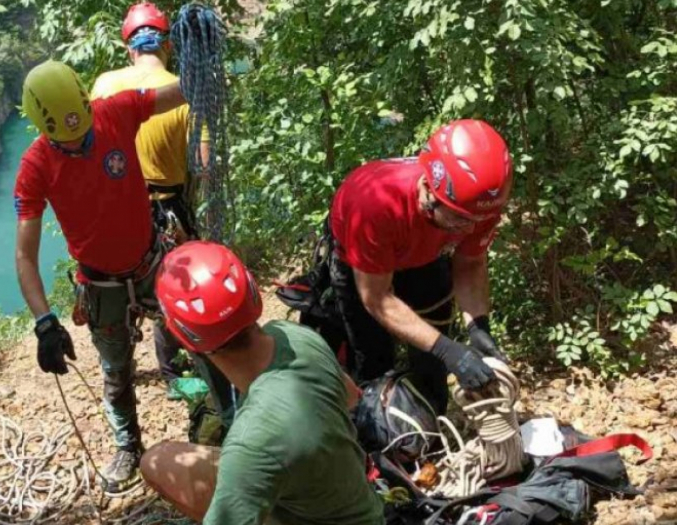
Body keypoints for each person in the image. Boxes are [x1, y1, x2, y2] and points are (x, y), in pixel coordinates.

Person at [13, 59, 189, 492]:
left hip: (151, 261)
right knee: (115, 369)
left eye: (83, 134)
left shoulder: (116, 111)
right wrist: (44, 322)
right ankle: (128, 445)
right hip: (101, 284)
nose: (78, 144)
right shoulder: (36, 166)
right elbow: (25, 256)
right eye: (67, 141)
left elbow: (180, 91)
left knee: (197, 337)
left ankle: (224, 416)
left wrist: (199, 54)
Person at [141, 241, 385, 524]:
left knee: (159, 463)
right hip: (359, 502)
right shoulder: (294, 336)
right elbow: (352, 398)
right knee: (160, 460)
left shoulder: (251, 443)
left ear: (184, 337)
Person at [92, 2, 233, 416]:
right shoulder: (186, 92)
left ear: (129, 48)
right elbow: (205, 166)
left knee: (114, 290)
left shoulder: (104, 85)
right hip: (167, 208)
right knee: (173, 289)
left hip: (115, 209)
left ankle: (117, 376)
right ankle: (174, 373)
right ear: (168, 46)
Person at [328, 119, 513, 414]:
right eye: (459, 219)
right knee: (375, 360)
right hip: (364, 267)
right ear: (428, 189)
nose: (468, 228)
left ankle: (432, 422)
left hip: (424, 256)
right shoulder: (375, 206)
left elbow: (470, 263)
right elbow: (377, 298)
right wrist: (448, 349)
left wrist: (479, 328)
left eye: (475, 220)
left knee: (433, 363)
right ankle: (378, 429)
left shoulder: (477, 205)